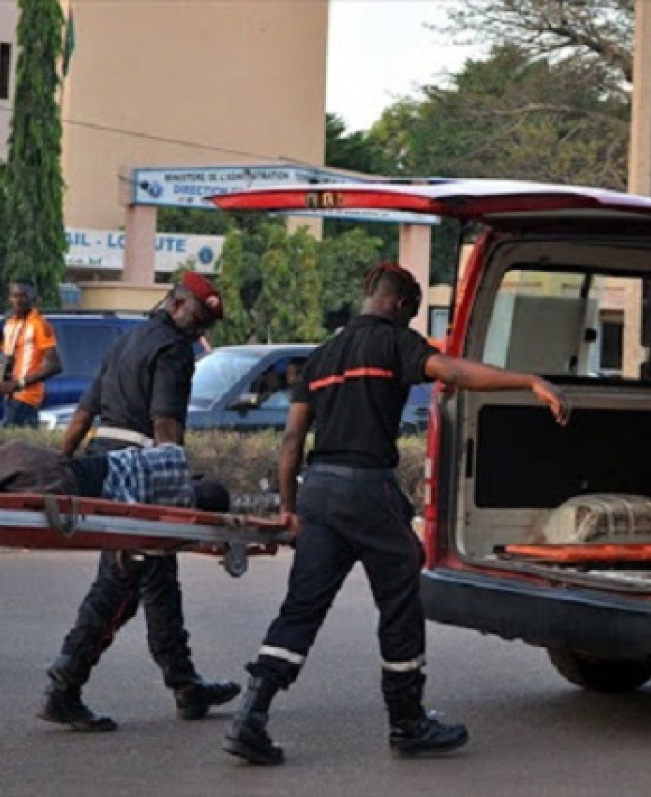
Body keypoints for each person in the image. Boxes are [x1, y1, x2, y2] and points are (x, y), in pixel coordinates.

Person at [224, 262, 570, 766]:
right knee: (402, 595)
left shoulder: (320, 358)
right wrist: (527, 380)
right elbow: (452, 371)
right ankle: (407, 722)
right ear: (403, 305)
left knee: (302, 607)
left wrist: (289, 509)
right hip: (367, 490)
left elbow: (292, 441)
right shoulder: (393, 343)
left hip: (319, 492)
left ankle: (250, 716)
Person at [39, 271, 240, 732]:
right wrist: (179, 489)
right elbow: (166, 424)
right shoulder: (172, 350)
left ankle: (186, 686)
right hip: (141, 477)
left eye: (205, 325)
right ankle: (64, 687)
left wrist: (60, 470)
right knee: (120, 584)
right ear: (175, 304)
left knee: (158, 580)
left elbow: (84, 415)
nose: (200, 331)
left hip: (104, 467)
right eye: (198, 318)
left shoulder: (126, 342)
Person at [0, 279, 62, 428]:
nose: (18, 301)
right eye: (14, 296)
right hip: (9, 397)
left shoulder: (39, 324)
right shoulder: (10, 323)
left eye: (23, 296)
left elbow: (55, 365)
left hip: (26, 398)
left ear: (33, 299)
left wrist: (19, 384)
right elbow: (5, 359)